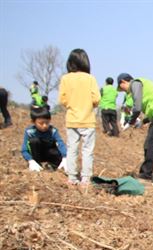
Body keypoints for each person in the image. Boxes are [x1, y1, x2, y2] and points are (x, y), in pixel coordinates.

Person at [58, 48, 100, 186]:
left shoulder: (65, 78)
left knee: (72, 149)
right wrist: (88, 105)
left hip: (72, 119)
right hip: (88, 120)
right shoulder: (90, 79)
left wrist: (71, 104)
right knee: (87, 150)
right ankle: (86, 179)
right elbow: (96, 99)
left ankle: (72, 177)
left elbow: (62, 99)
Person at [21, 106, 67, 172]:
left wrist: (65, 157)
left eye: (47, 122)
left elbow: (60, 144)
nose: (45, 125)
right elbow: (24, 150)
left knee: (55, 151)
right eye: (41, 123)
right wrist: (30, 160)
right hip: (36, 154)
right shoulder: (29, 132)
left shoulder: (53, 131)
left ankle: (52, 165)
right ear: (33, 122)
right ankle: (36, 164)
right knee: (34, 141)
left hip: (49, 153)